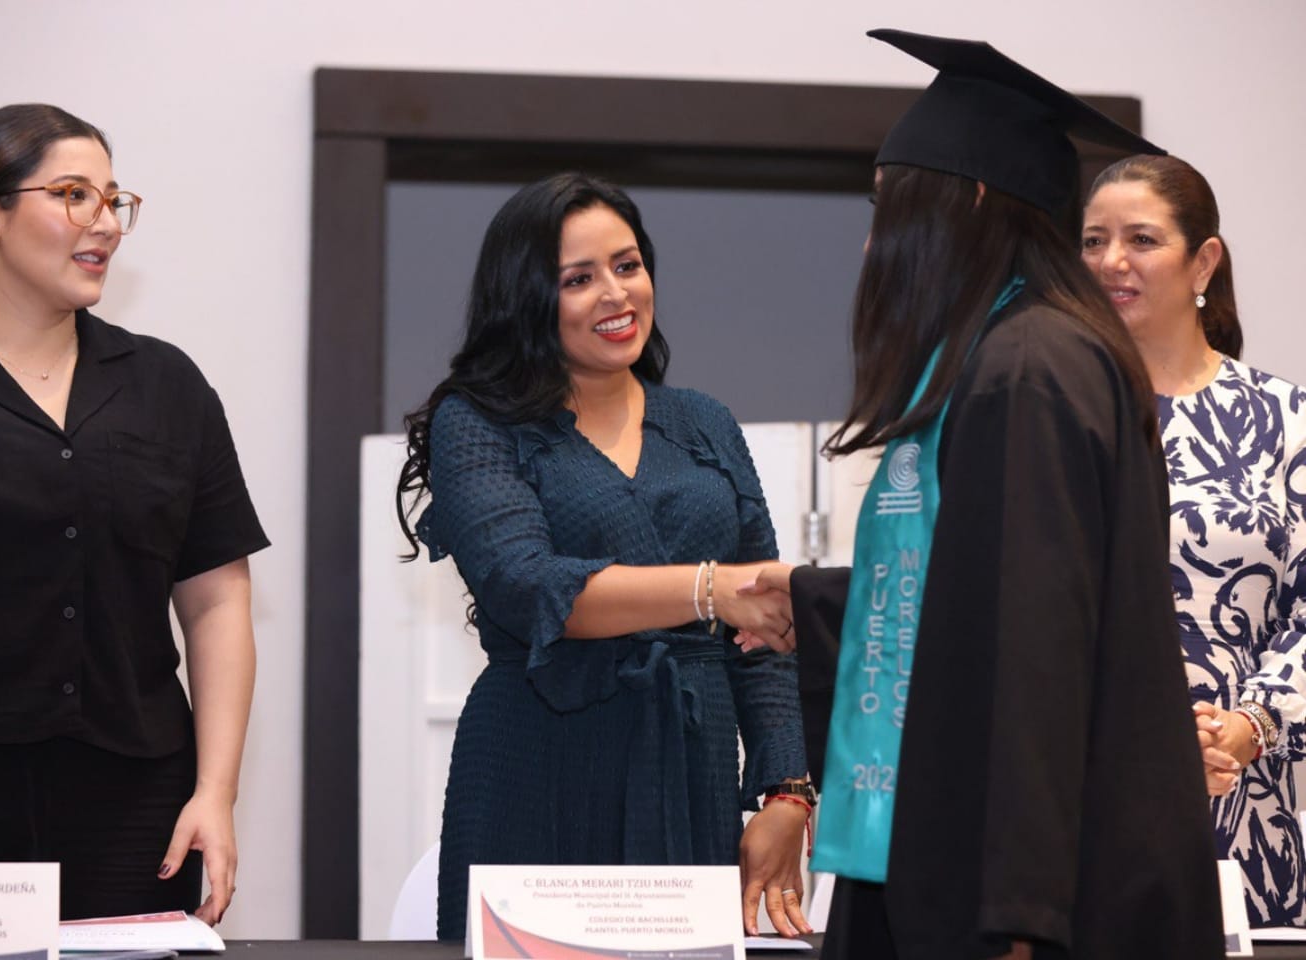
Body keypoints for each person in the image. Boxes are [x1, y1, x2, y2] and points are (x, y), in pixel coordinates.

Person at [741, 30, 1224, 959]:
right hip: (1011, 873)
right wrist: (808, 601)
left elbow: (1035, 662)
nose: (879, 239)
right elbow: (972, 596)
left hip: (1021, 901)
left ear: (963, 201)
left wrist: (1017, 920)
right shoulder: (1020, 354)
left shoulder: (1026, 370)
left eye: (892, 206)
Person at [0, 104, 268, 923]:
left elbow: (218, 601)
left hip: (133, 799)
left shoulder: (168, 386)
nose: (105, 224)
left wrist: (215, 793)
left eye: (113, 200)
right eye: (74, 194)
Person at [395, 172, 813, 941]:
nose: (615, 295)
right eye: (577, 279)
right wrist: (709, 589)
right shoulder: (476, 423)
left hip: (690, 765)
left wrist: (788, 793)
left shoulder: (703, 422)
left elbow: (767, 635)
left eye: (627, 265)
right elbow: (526, 586)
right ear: (525, 298)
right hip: (537, 760)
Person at [1082, 153, 1306, 927]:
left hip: (1256, 792)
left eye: (1140, 239)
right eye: (1091, 241)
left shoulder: (1285, 417)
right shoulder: (1059, 412)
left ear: (1201, 259)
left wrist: (1246, 726)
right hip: (1095, 786)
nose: (1111, 260)